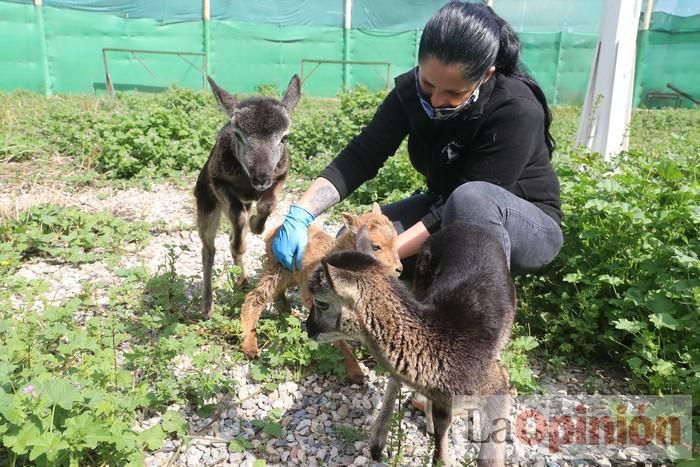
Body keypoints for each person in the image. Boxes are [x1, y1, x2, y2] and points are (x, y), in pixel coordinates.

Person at [272, 1, 563, 279]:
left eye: (453, 93)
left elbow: (464, 203)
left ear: (485, 77)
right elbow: (362, 156)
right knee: (354, 238)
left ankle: (475, 314)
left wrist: (386, 254)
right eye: (428, 84)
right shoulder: (410, 93)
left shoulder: (515, 109)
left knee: (470, 200)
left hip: (523, 226)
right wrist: (301, 212)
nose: (436, 100)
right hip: (446, 208)